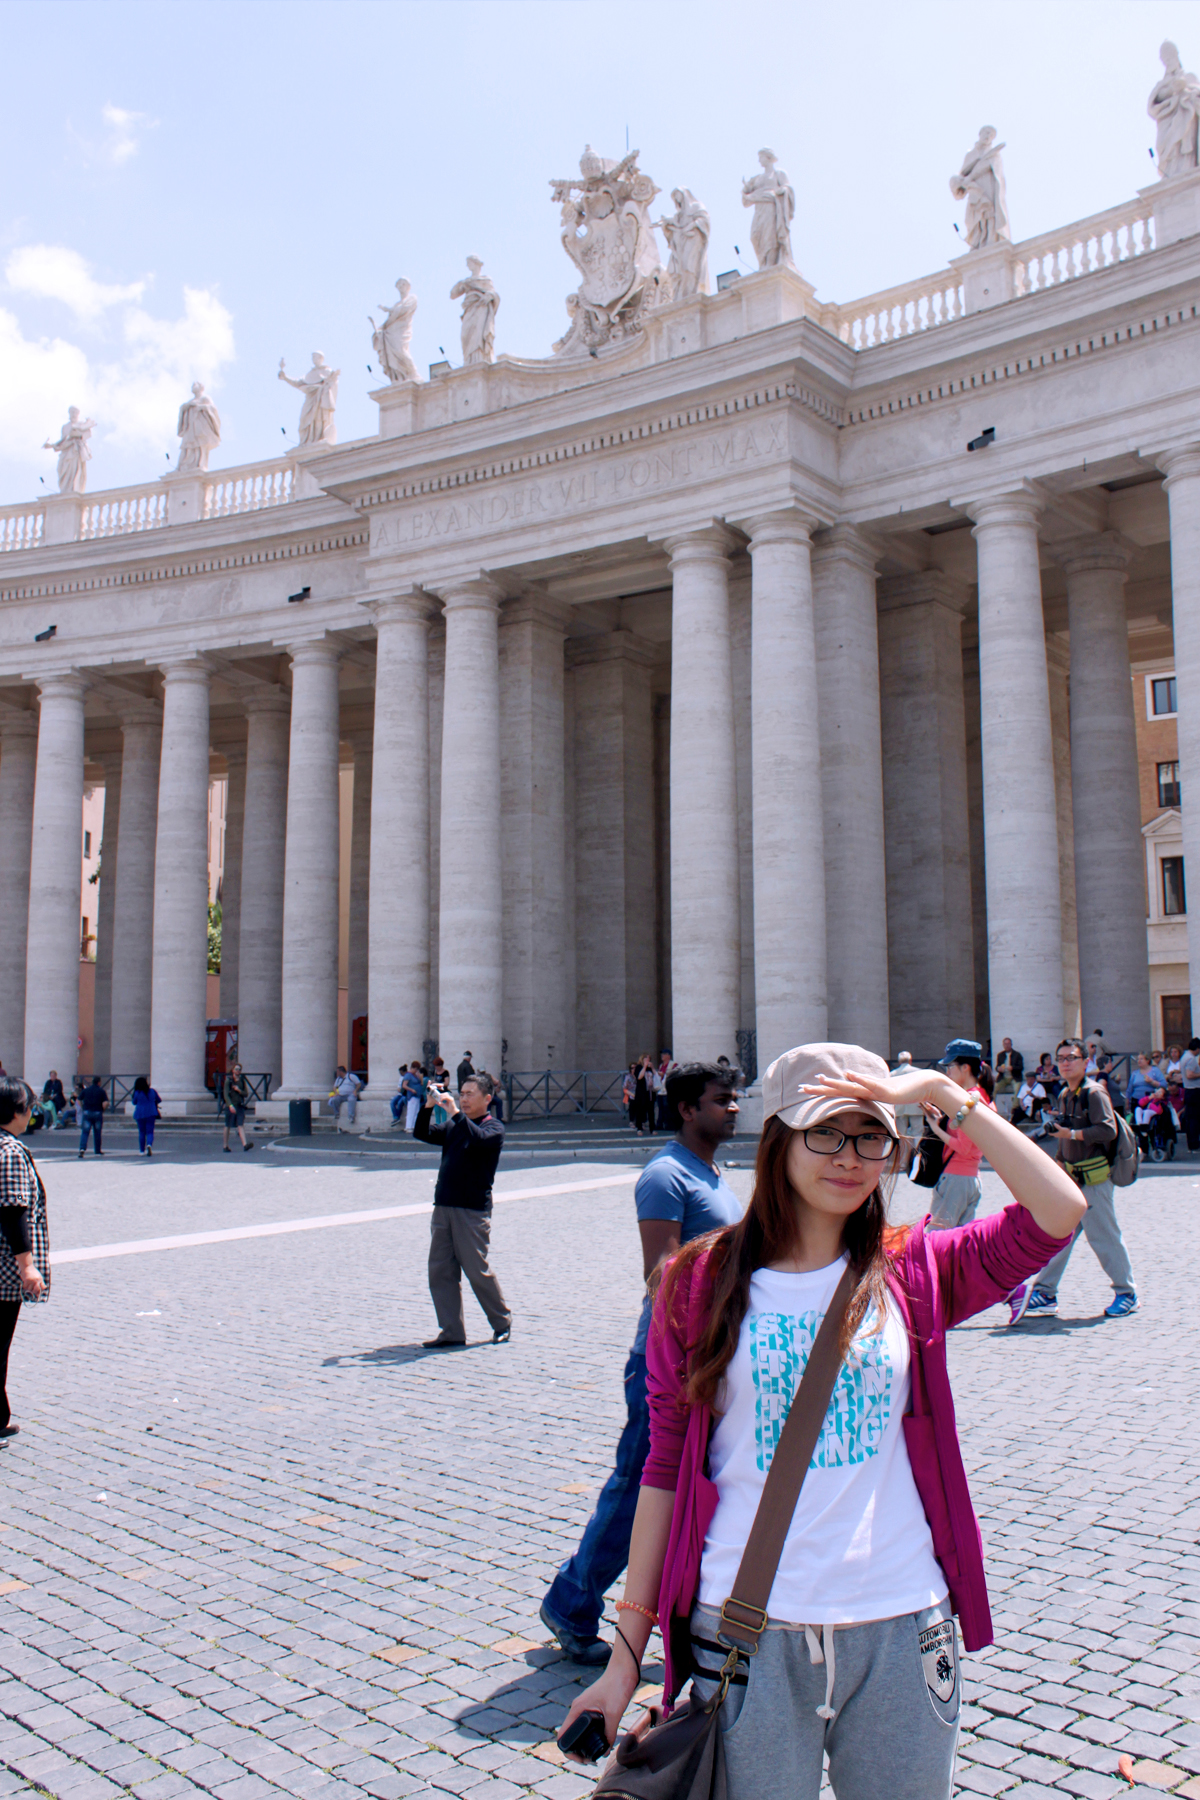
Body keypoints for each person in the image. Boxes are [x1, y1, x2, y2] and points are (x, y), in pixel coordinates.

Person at [558, 1041, 1085, 1795]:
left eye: (871, 1135)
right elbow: (664, 1470)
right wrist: (623, 1658)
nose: (851, 1156)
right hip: (747, 1637)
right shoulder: (696, 1283)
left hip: (903, 1623)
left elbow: (1060, 1211)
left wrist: (945, 1093)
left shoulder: (915, 1270)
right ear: (778, 1140)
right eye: (825, 1132)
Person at [540, 1062, 743, 1664]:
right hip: (670, 1358)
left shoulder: (710, 1171)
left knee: (697, 1487)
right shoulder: (664, 1176)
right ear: (686, 1109)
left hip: (712, 1352)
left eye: (733, 1100)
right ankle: (572, 1600)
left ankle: (695, 1613)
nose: (733, 1108)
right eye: (721, 1100)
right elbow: (662, 1274)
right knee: (638, 1488)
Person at [1008, 1038, 1138, 1324]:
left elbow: (1107, 1130)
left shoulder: (1094, 1093)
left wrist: (1072, 1136)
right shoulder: (1067, 1093)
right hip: (1072, 1178)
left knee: (1103, 1236)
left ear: (1084, 1061)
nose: (1066, 1063)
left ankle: (1126, 1293)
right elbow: (1068, 1133)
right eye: (1061, 1058)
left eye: (1072, 1057)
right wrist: (1058, 1163)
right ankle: (1045, 1292)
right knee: (1059, 1236)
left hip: (1094, 1178)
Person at [415, 1071, 511, 1347]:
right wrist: (429, 1106)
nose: (464, 1099)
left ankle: (502, 1321)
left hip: (471, 1212)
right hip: (444, 1207)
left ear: (487, 1098)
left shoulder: (494, 1129)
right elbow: (422, 1133)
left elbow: (478, 1139)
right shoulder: (455, 1126)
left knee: (475, 1270)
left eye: (470, 1094)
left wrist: (455, 1113)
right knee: (440, 1271)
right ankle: (452, 1330)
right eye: (462, 1094)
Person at [0, 1077, 51, 1440]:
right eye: (29, 1107)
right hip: (3, 1269)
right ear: (17, 1112)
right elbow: (14, 1210)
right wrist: (27, 1266)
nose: (32, 1113)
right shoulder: (11, 1152)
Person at [921, 1038, 995, 1230]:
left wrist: (935, 1128)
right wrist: (940, 1120)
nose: (947, 1071)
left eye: (950, 1065)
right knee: (958, 1244)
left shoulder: (969, 1099)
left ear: (965, 1068)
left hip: (956, 1178)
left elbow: (962, 1147)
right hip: (969, 1177)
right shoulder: (983, 1097)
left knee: (936, 1237)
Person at [222, 1063, 253, 1152]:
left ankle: (245, 1144)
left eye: (239, 1069)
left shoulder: (242, 1081)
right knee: (227, 1125)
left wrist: (239, 1090)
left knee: (240, 1124)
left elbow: (246, 1094)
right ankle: (225, 1145)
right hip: (231, 1106)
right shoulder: (229, 1081)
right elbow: (226, 1095)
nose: (238, 1071)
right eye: (236, 1069)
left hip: (239, 1106)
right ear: (233, 1070)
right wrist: (230, 1105)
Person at [77, 1075, 106, 1159]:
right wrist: (103, 1109)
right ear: (99, 1082)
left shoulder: (86, 1090)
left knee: (85, 1132)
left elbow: (79, 1100)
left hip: (87, 1112)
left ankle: (82, 1148)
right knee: (97, 1132)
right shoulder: (101, 1091)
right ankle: (97, 1150)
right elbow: (106, 1102)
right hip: (97, 1112)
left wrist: (82, 1107)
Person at [131, 1076, 161, 1156]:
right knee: (150, 1131)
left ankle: (141, 1151)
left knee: (141, 1132)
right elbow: (159, 1100)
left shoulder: (137, 1092)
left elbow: (134, 1102)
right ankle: (149, 1145)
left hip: (140, 1113)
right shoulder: (152, 1091)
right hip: (151, 1112)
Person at [1180, 1037, 1200, 1153]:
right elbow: (1190, 1075)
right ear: (1197, 1049)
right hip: (1194, 1090)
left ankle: (1192, 1144)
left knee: (1191, 1118)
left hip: (1189, 1090)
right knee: (1194, 1119)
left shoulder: (1185, 1057)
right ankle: (1194, 1144)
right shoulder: (1191, 1059)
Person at [629, 1055, 656, 1137]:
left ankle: (652, 1128)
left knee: (651, 1111)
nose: (648, 1060)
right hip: (641, 1093)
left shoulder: (650, 1068)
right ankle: (639, 1128)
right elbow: (639, 1077)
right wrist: (644, 1067)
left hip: (650, 1092)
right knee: (640, 1110)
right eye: (646, 1059)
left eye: (649, 1059)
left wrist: (653, 1068)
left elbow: (656, 1076)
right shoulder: (638, 1067)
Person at [328, 1066, 362, 1131]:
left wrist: (355, 1090)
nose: (337, 1073)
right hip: (341, 1095)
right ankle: (336, 1113)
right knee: (334, 1100)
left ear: (340, 1072)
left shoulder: (351, 1076)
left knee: (352, 1100)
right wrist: (336, 1093)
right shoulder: (338, 1079)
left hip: (350, 1094)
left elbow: (359, 1084)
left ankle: (351, 1117)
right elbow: (334, 1087)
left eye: (338, 1072)